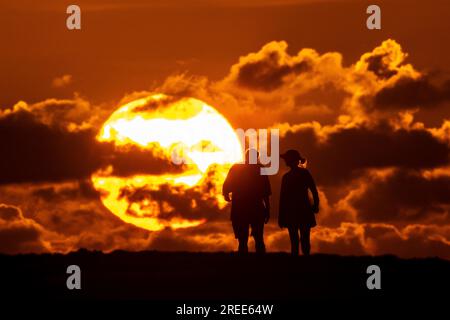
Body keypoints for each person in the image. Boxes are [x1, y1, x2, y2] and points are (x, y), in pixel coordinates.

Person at [223, 149, 271, 253]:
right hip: (252, 208)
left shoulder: (237, 168)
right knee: (251, 238)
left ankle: (245, 261)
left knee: (250, 238)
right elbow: (266, 192)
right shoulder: (257, 168)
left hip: (245, 208)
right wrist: (267, 209)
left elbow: (226, 186)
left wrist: (226, 194)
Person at [278, 149, 319, 256]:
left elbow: (283, 198)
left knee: (295, 239)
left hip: (294, 211)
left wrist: (281, 215)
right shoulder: (302, 174)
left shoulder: (287, 177)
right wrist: (315, 204)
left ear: (291, 160)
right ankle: (304, 259)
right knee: (304, 238)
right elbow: (313, 190)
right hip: (303, 209)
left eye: (286, 159)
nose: (285, 161)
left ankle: (297, 260)